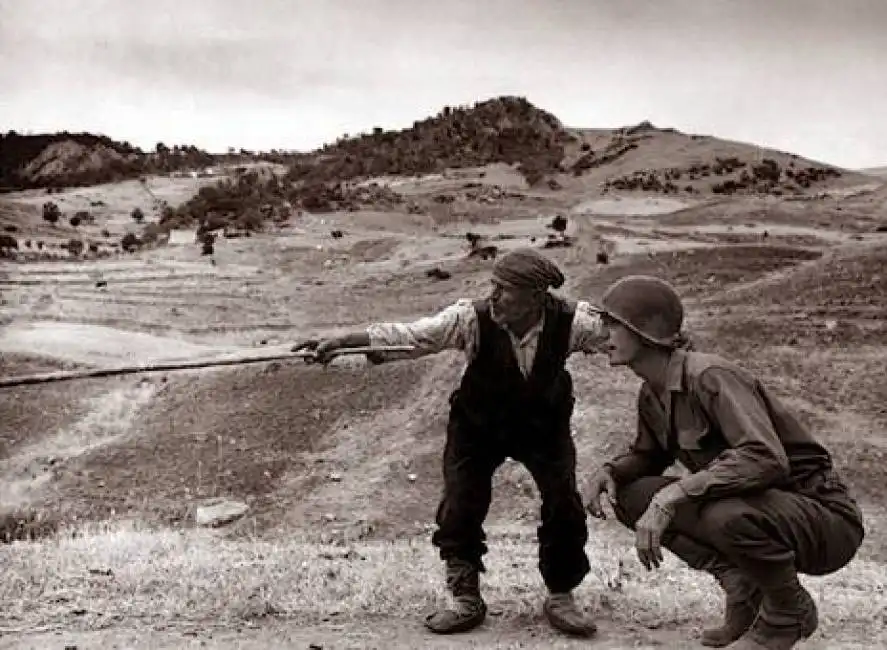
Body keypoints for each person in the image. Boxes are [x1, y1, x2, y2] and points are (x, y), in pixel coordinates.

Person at [293, 248, 607, 637]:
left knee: (564, 501)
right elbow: (411, 338)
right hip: (477, 426)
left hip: (543, 427)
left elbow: (626, 335)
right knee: (460, 503)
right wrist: (343, 342)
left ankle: (561, 595)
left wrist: (668, 340)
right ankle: (465, 597)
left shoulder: (574, 322)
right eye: (493, 285)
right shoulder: (469, 320)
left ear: (537, 296)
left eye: (504, 289)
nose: (493, 296)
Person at [584, 275, 865, 650]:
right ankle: (743, 588)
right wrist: (610, 472)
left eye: (612, 323)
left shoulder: (710, 376)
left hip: (823, 517)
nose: (602, 333)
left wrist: (673, 496)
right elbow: (649, 457)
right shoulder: (652, 392)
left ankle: (786, 614)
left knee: (722, 513)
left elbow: (765, 458)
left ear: (646, 331)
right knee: (631, 495)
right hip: (756, 507)